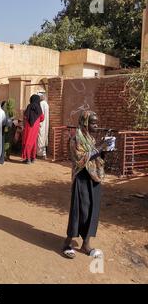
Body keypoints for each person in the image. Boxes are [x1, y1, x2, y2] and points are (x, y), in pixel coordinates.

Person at [62, 111, 108, 260]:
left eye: (96, 123)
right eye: (93, 123)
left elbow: (95, 157)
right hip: (81, 178)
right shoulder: (76, 139)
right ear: (85, 123)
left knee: (92, 211)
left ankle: (86, 244)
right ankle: (67, 243)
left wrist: (104, 151)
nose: (96, 126)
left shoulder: (90, 139)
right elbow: (80, 159)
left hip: (93, 178)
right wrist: (100, 148)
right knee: (79, 210)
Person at [22, 94, 45, 164]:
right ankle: (33, 158)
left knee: (27, 141)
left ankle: (28, 158)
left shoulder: (29, 106)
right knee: (34, 142)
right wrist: (37, 121)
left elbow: (25, 116)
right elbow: (42, 118)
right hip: (36, 128)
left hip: (29, 127)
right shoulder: (39, 108)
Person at [37, 93, 50, 159]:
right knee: (43, 138)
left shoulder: (41, 104)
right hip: (45, 124)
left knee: (40, 138)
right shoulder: (46, 104)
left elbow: (40, 114)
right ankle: (44, 154)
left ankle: (40, 154)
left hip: (41, 124)